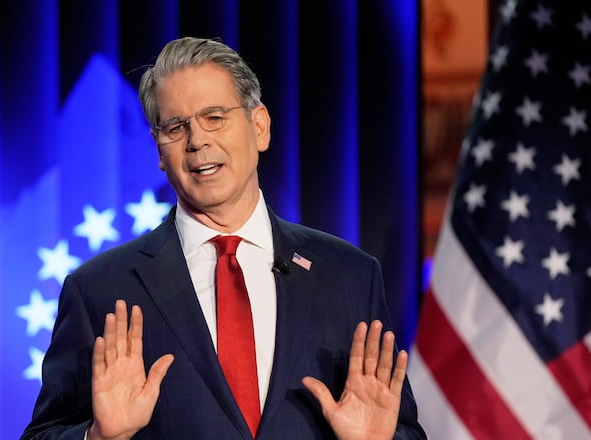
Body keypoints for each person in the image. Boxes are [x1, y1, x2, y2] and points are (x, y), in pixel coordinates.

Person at [22, 37, 425, 440]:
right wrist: (100, 437)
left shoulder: (349, 275)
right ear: (160, 151)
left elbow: (403, 429)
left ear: (260, 126)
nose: (197, 141)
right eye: (176, 127)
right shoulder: (99, 290)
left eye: (214, 117)